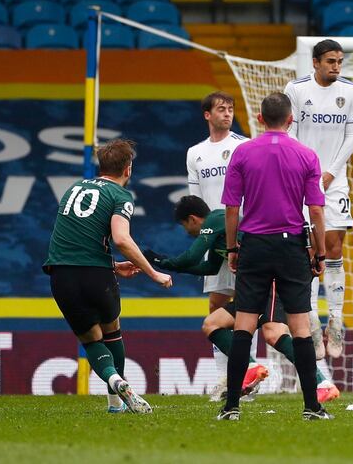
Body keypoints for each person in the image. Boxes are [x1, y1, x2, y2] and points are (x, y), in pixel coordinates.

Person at [144, 195, 339, 403]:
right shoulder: (221, 230)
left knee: (274, 332)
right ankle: (254, 367)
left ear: (193, 219)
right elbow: (208, 267)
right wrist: (166, 265)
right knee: (213, 324)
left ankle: (321, 383)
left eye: (185, 226)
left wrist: (158, 261)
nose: (187, 232)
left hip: (269, 277)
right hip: (255, 283)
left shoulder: (215, 220)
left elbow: (191, 257)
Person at [218, 92, 332, 421]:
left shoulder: (242, 152)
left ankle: (231, 408)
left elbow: (231, 208)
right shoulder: (307, 155)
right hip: (291, 245)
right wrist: (319, 252)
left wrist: (233, 248)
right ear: (291, 119)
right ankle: (312, 407)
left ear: (260, 119)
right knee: (298, 326)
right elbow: (316, 210)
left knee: (244, 325)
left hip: (253, 243)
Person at [42, 139, 172, 414]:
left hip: (60, 275)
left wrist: (113, 265)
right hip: (96, 277)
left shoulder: (73, 189)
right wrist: (153, 273)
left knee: (90, 339)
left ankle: (114, 382)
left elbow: (74, 243)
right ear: (128, 169)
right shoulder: (120, 196)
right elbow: (122, 239)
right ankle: (116, 399)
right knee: (111, 331)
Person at [284, 39, 353, 359]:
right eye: (330, 61)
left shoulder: (352, 91)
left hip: (336, 182)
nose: (336, 66)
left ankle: (336, 320)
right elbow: (289, 133)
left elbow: (351, 137)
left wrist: (330, 173)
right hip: (301, 182)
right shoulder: (296, 89)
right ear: (315, 62)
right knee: (307, 252)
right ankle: (313, 324)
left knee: (333, 247)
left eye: (339, 61)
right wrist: (308, 173)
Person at [185, 91, 248, 398]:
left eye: (230, 109)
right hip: (215, 243)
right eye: (221, 109)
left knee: (245, 310)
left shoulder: (243, 146)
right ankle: (226, 379)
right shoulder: (194, 153)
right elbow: (196, 203)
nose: (227, 113)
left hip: (243, 238)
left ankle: (245, 377)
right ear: (207, 115)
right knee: (216, 308)